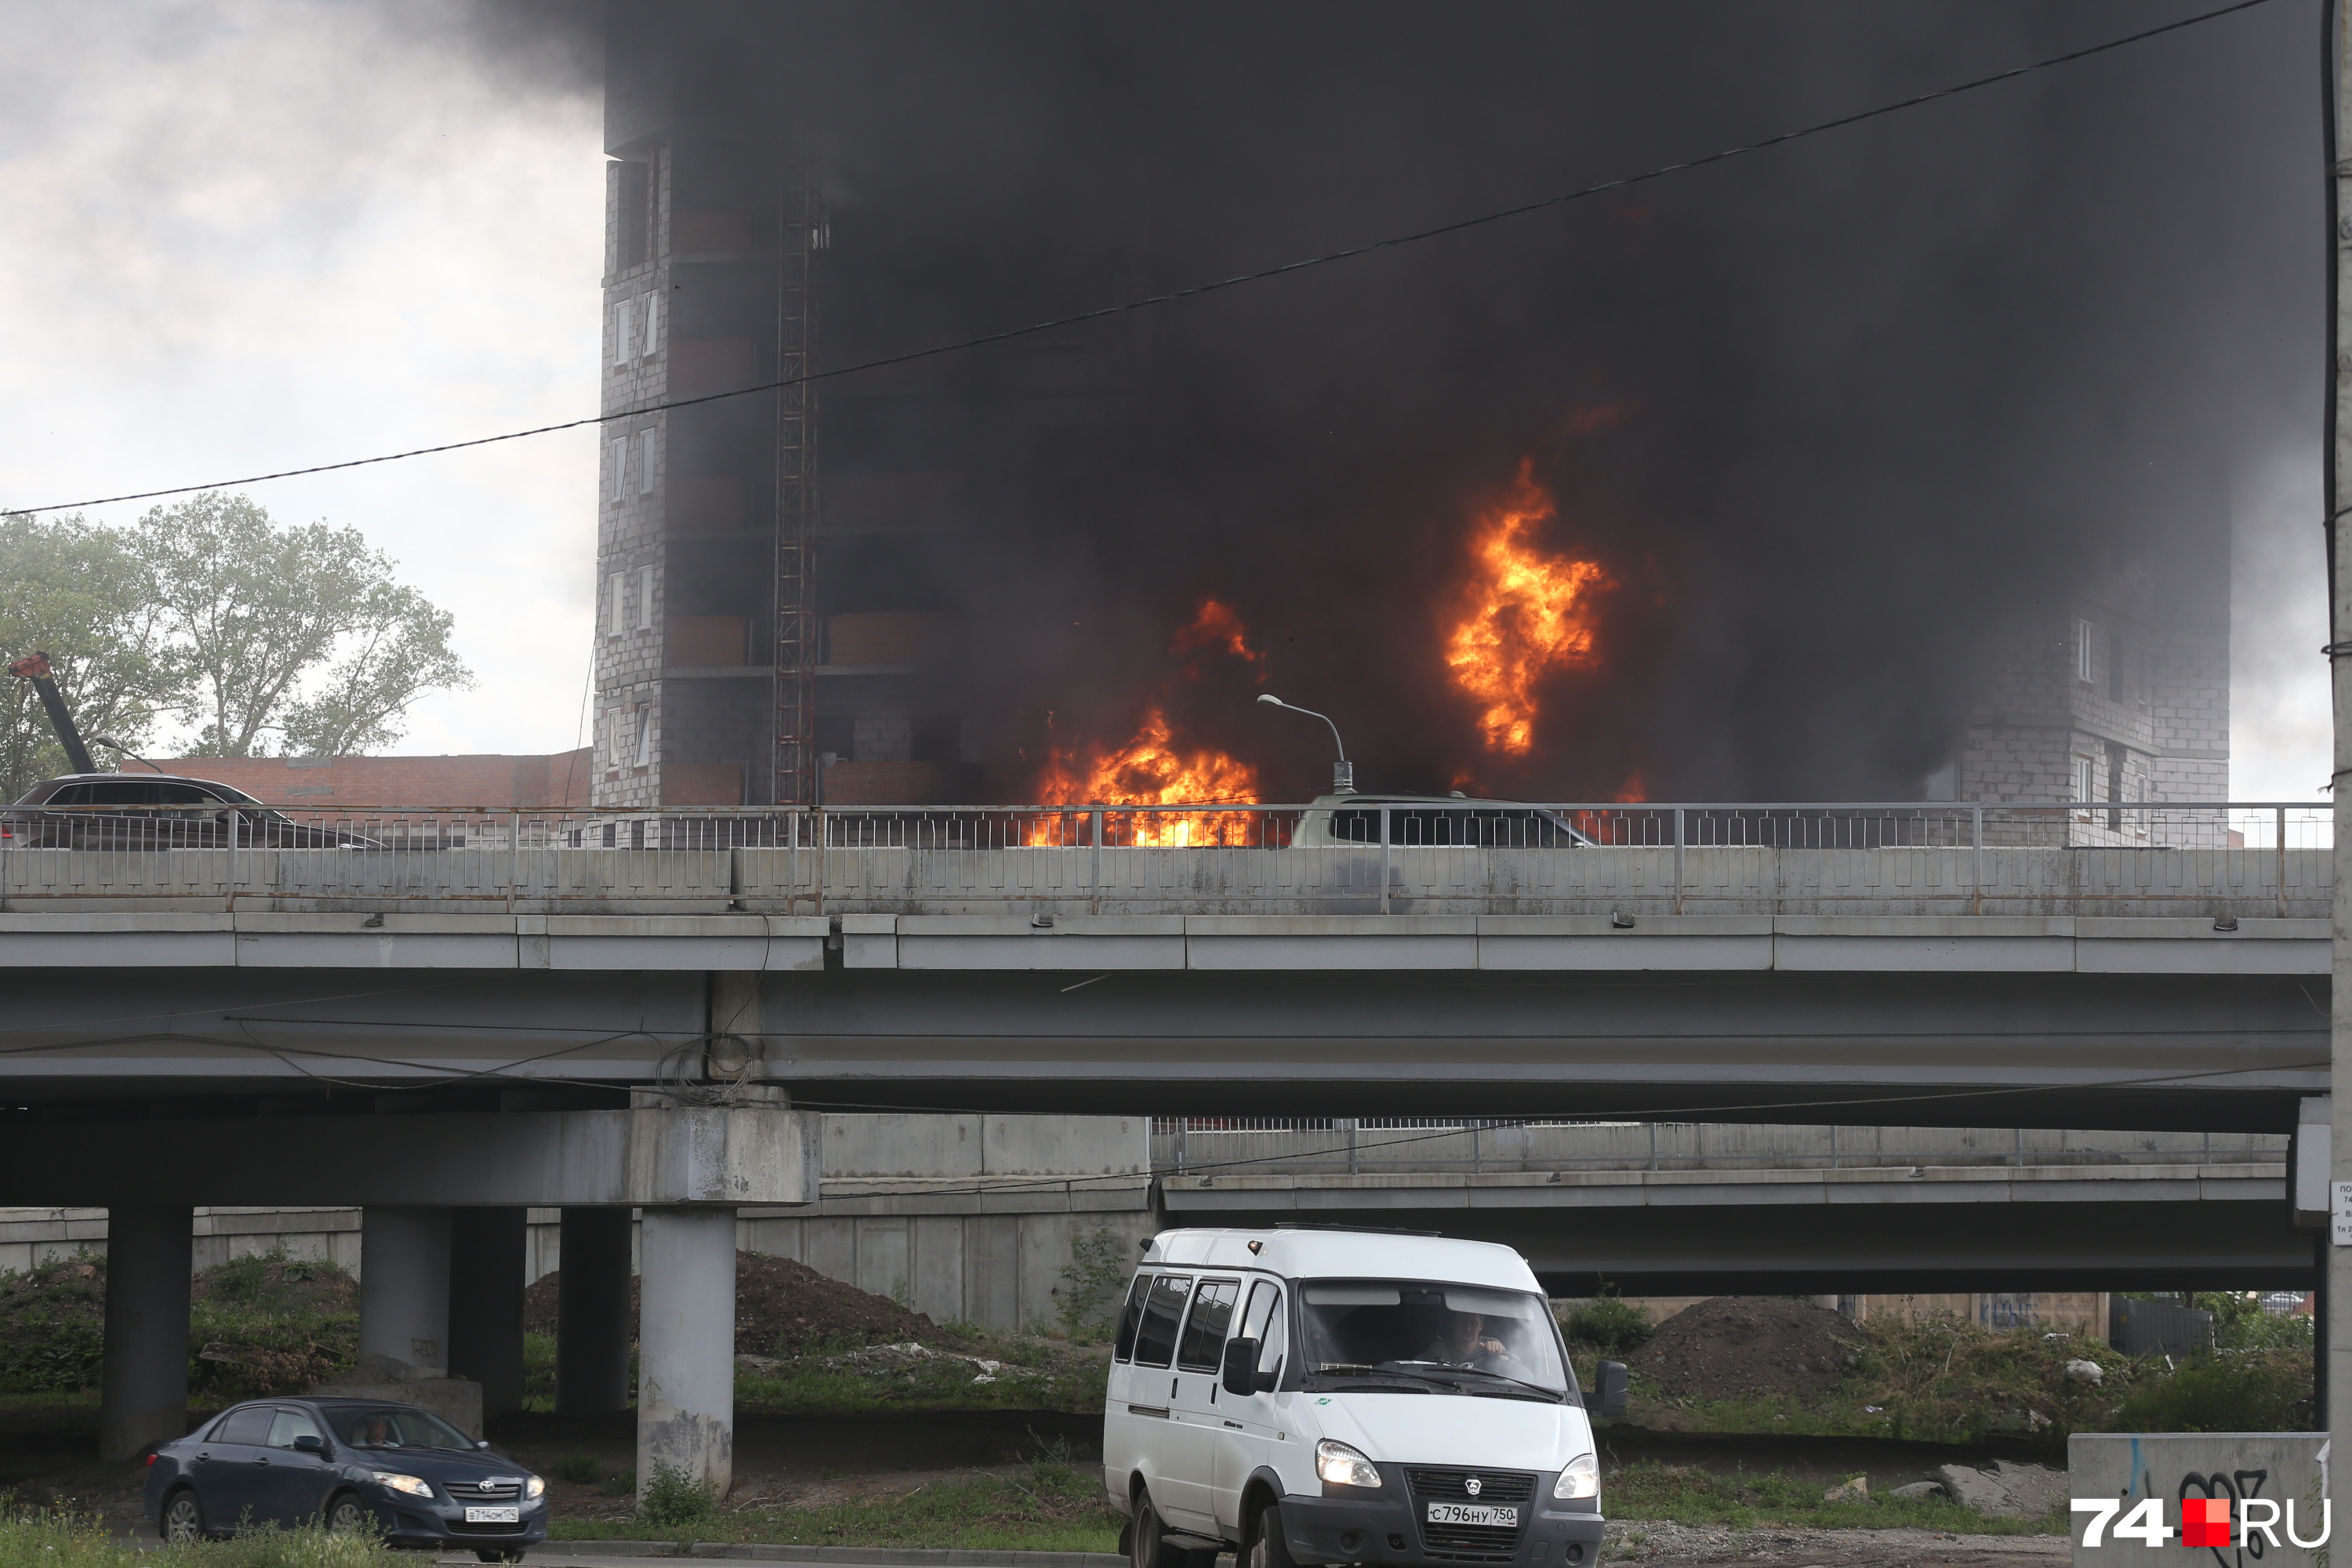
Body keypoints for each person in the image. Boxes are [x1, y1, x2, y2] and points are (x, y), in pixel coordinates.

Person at [1416, 1309, 1526, 1376]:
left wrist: (1498, 1354)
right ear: (1454, 1324)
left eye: (1473, 1323)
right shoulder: (1438, 1351)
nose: (1468, 1328)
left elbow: (1511, 1372)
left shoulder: (1492, 1345)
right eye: (1462, 1322)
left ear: (1481, 1326)